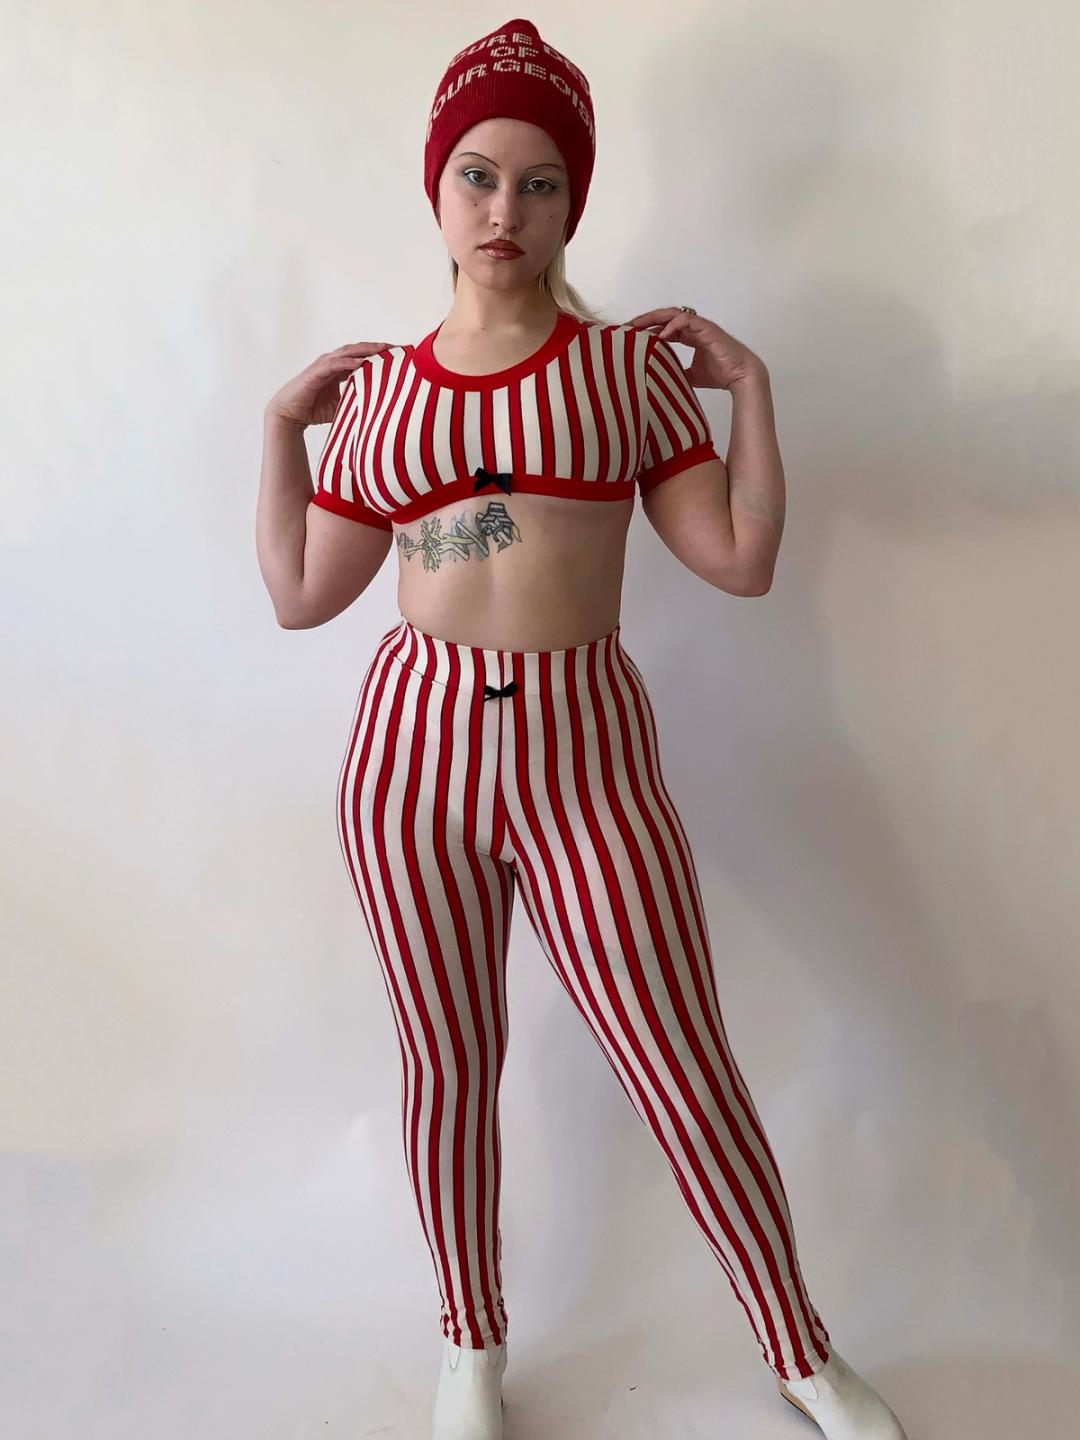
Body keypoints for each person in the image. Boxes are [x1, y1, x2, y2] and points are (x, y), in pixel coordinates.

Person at [257, 16, 909, 1440]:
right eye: (479, 175)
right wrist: (278, 435)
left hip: (584, 755)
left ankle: (799, 1350)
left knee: (680, 1058)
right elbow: (304, 596)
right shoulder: (382, 394)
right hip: (409, 761)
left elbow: (740, 559)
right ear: (437, 188)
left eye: (540, 182)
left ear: (574, 202)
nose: (506, 209)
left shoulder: (624, 373)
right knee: (447, 1067)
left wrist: (753, 392)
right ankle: (469, 1347)